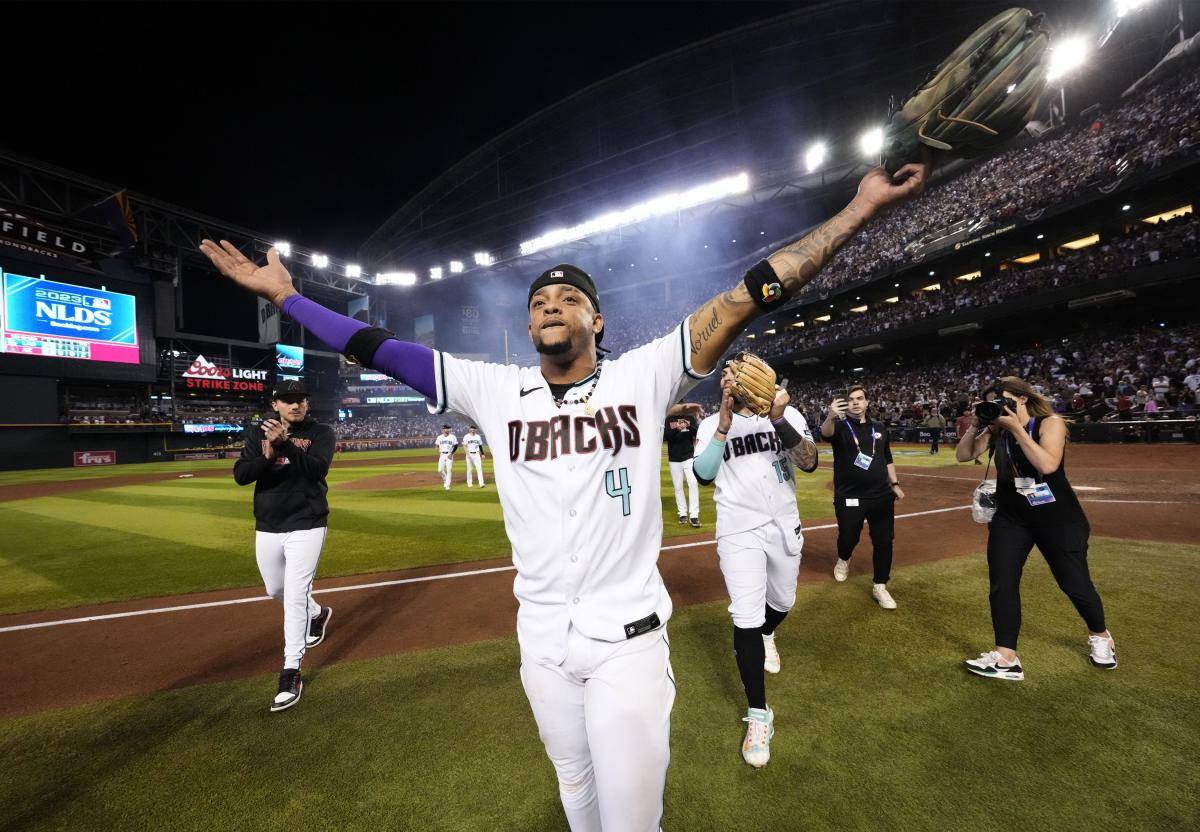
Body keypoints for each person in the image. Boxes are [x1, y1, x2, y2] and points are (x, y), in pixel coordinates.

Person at [200, 156, 926, 831]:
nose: (553, 305)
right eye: (541, 299)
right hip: (541, 640)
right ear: (527, 323)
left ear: (596, 321)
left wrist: (859, 208)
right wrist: (289, 299)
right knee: (574, 786)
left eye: (570, 297)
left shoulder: (642, 376)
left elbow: (747, 296)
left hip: (628, 642)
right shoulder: (492, 390)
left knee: (632, 816)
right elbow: (376, 347)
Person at [693, 361, 817, 767]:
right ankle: (759, 715)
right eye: (726, 375)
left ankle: (768, 633)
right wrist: (723, 425)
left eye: (737, 373)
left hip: (782, 523)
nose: (731, 379)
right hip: (738, 528)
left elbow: (809, 460)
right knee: (745, 617)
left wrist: (778, 418)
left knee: (783, 602)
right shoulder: (711, 423)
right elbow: (704, 474)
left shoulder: (787, 413)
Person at [955, 376, 1116, 681]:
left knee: (1074, 583)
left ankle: (1100, 635)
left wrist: (1016, 428)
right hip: (1011, 518)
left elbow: (1047, 465)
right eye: (993, 403)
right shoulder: (996, 429)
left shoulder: (1049, 423)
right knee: (1002, 582)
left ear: (1023, 399)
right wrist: (979, 424)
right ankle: (1006, 658)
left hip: (1057, 518)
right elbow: (964, 455)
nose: (999, 408)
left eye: (1003, 401)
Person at [232, 380, 336, 712]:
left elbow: (317, 470)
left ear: (307, 404)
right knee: (275, 590)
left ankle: (291, 671)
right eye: (287, 401)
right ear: (275, 404)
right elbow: (242, 475)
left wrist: (287, 445)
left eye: (300, 400)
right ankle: (318, 612)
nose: (295, 405)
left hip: (308, 523)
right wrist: (268, 455)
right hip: (269, 524)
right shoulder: (257, 432)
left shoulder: (321, 433)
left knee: (293, 597)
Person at [820, 385, 905, 609]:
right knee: (849, 536)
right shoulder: (839, 426)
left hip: (881, 495)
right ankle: (844, 558)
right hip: (850, 495)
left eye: (860, 399)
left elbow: (887, 457)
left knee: (884, 541)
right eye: (851, 399)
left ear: (867, 402)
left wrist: (894, 484)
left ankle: (880, 585)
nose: (856, 402)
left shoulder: (879, 428)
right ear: (846, 404)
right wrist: (830, 416)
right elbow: (825, 433)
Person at [664, 411, 703, 527]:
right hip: (674, 458)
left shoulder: (689, 417)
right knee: (678, 487)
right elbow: (665, 437)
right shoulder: (669, 419)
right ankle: (682, 514)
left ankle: (694, 515)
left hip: (688, 457)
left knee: (693, 483)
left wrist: (689, 426)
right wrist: (677, 428)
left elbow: (698, 433)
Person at [435, 424, 458, 490]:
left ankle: (447, 485)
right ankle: (445, 480)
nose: (447, 430)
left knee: (449, 470)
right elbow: (436, 445)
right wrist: (438, 449)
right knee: (440, 470)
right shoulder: (439, 437)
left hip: (449, 454)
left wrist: (452, 453)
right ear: (443, 430)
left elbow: (456, 446)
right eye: (445, 428)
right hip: (442, 455)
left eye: (448, 428)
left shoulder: (453, 437)